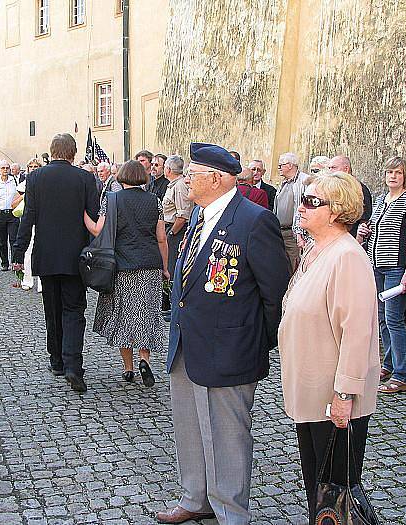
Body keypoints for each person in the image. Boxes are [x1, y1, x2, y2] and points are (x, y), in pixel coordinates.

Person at [157, 143, 290, 525]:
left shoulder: (253, 220)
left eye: (191, 175)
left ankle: (231, 513)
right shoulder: (199, 216)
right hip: (186, 343)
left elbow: (274, 293)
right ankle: (195, 496)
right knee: (190, 427)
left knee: (227, 436)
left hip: (230, 349)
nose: (185, 181)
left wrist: (253, 342)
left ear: (215, 179)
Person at [278, 172, 380, 524]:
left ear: (337, 211)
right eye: (304, 198)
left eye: (312, 201)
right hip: (312, 392)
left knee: (336, 491)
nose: (302, 206)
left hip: (333, 399)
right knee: (317, 487)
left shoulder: (347, 256)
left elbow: (357, 332)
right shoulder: (316, 249)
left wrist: (345, 394)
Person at [12, 133, 99, 393]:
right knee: (74, 310)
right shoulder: (85, 178)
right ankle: (74, 364)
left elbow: (28, 218)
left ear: (52, 151)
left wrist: (18, 254)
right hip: (76, 257)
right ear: (73, 153)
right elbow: (93, 218)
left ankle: (57, 361)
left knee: (52, 310)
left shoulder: (36, 177)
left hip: (46, 254)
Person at [86, 160, 169, 386]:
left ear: (121, 177)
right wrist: (164, 267)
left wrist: (82, 213)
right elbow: (161, 238)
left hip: (122, 267)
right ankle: (145, 359)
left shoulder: (111, 200)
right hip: (150, 265)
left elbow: (97, 229)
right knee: (146, 315)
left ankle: (128, 368)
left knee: (124, 316)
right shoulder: (155, 201)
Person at [356, 157, 406, 393]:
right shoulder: (381, 200)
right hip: (377, 265)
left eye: (398, 172)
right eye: (389, 172)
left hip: (396, 267)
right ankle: (388, 363)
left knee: (394, 319)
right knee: (383, 318)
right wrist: (365, 230)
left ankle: (402, 374)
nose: (393, 176)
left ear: (405, 175)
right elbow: (375, 227)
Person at [161, 155, 194, 321]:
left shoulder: (180, 185)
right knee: (169, 267)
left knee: (173, 268)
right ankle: (169, 305)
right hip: (170, 228)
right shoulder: (173, 185)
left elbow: (183, 215)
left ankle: (174, 307)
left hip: (176, 230)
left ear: (168, 169)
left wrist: (171, 233)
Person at [273, 152, 309, 271]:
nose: (279, 168)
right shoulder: (283, 183)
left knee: (293, 265)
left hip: (293, 234)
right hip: (280, 232)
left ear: (290, 165)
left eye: (280, 165)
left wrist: (300, 235)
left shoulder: (304, 181)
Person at [12, 158, 43, 292]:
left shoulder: (44, 181)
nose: (34, 168)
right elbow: (13, 204)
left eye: (36, 166)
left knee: (42, 249)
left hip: (42, 220)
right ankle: (27, 279)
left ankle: (42, 282)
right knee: (28, 250)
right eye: (31, 166)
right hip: (27, 220)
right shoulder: (24, 184)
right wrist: (26, 195)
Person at [327, 155, 373, 239]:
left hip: (351, 240)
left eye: (334, 167)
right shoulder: (332, 189)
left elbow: (365, 220)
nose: (330, 171)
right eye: (329, 168)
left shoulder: (360, 190)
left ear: (346, 169)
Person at [0, 160, 20, 272]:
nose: (5, 170)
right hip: (0, 213)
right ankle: (4, 262)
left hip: (12, 213)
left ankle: (14, 262)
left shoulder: (14, 181)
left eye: (7, 168)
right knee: (2, 240)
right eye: (3, 168)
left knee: (14, 239)